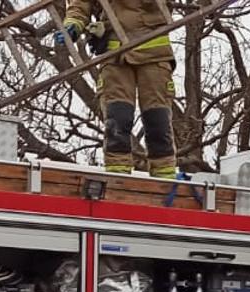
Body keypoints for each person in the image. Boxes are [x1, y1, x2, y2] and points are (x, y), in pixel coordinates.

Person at [59, 0, 177, 177]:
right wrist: (73, 24)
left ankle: (165, 179)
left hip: (154, 51)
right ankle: (118, 176)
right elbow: (80, 4)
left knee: (157, 120)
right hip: (115, 53)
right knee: (117, 120)